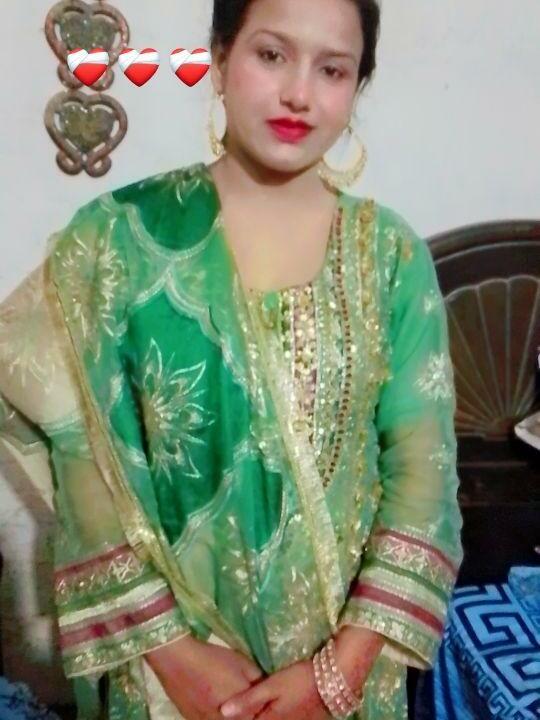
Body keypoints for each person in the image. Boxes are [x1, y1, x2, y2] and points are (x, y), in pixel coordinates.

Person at [0, 0, 464, 718]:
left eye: (333, 70)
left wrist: (337, 673)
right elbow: (83, 454)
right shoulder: (118, 242)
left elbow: (421, 474)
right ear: (219, 60)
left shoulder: (391, 258)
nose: (299, 94)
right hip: (166, 678)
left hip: (344, 678)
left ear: (357, 87)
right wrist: (174, 657)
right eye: (271, 55)